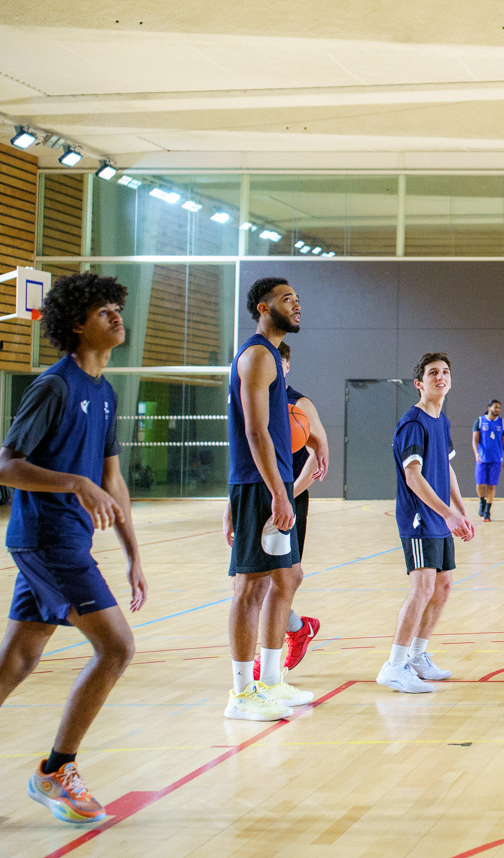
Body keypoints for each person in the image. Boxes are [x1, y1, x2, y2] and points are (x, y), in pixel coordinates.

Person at [0, 272, 145, 826]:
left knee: (19, 658)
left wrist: (133, 554)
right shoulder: (55, 386)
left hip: (62, 540)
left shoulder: (104, 393)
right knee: (117, 648)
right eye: (102, 310)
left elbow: (113, 479)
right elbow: (6, 465)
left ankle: (57, 771)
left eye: (116, 307)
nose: (115, 316)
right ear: (77, 325)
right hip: (49, 538)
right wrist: (73, 483)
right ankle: (57, 770)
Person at [224, 277, 313, 720]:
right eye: (286, 299)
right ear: (263, 307)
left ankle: (272, 681)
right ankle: (241, 693)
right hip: (261, 485)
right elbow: (254, 432)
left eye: (297, 300)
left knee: (286, 578)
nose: (296, 305)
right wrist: (279, 492)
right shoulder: (258, 355)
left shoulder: (271, 357)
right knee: (250, 588)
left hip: (266, 483)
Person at [378, 353, 476, 694]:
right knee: (422, 588)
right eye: (433, 372)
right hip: (419, 517)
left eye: (445, 371)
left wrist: (461, 509)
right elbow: (413, 476)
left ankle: (417, 656)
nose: (441, 377)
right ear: (419, 383)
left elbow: (446, 467)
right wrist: (447, 513)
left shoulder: (441, 421)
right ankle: (394, 666)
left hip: (440, 517)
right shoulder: (413, 424)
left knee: (443, 587)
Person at [243, 342, 325, 682]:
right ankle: (297, 628)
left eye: (279, 363)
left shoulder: (299, 404)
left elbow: (317, 458)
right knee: (257, 580)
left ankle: (267, 664)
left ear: (286, 367)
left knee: (277, 578)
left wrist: (286, 495)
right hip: (256, 494)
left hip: (288, 497)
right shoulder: (255, 401)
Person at [472, 400, 504, 522]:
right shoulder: (480, 421)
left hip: (496, 459)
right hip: (482, 458)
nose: (497, 410)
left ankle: (487, 511)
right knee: (480, 484)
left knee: (491, 485)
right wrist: (476, 453)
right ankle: (482, 501)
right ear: (489, 408)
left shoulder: (502, 423)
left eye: (499, 408)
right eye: (495, 407)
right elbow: (475, 439)